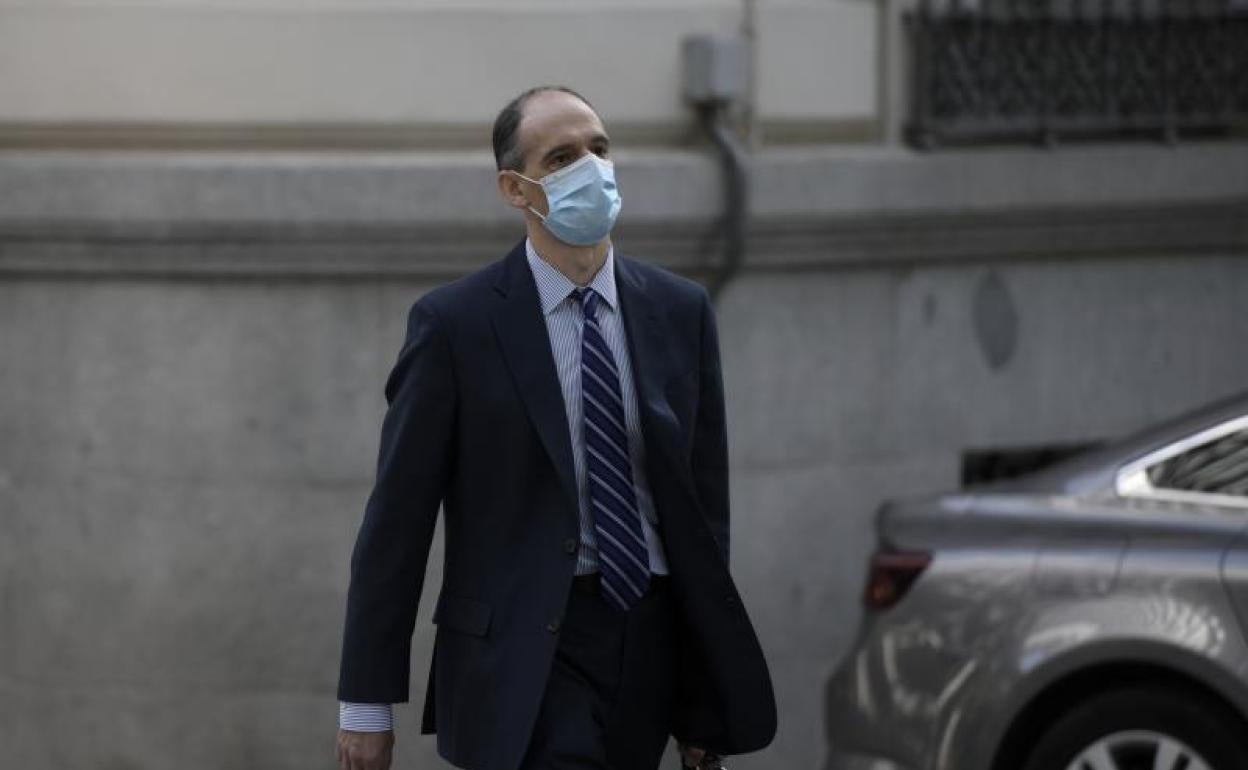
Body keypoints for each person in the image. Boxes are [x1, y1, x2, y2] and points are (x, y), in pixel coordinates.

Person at [334, 85, 776, 770]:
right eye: (562, 157)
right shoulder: (456, 326)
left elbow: (702, 515)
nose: (591, 170)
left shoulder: (679, 311)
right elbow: (396, 520)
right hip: (525, 646)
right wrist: (365, 701)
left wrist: (703, 694)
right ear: (516, 189)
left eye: (599, 149)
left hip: (648, 635)